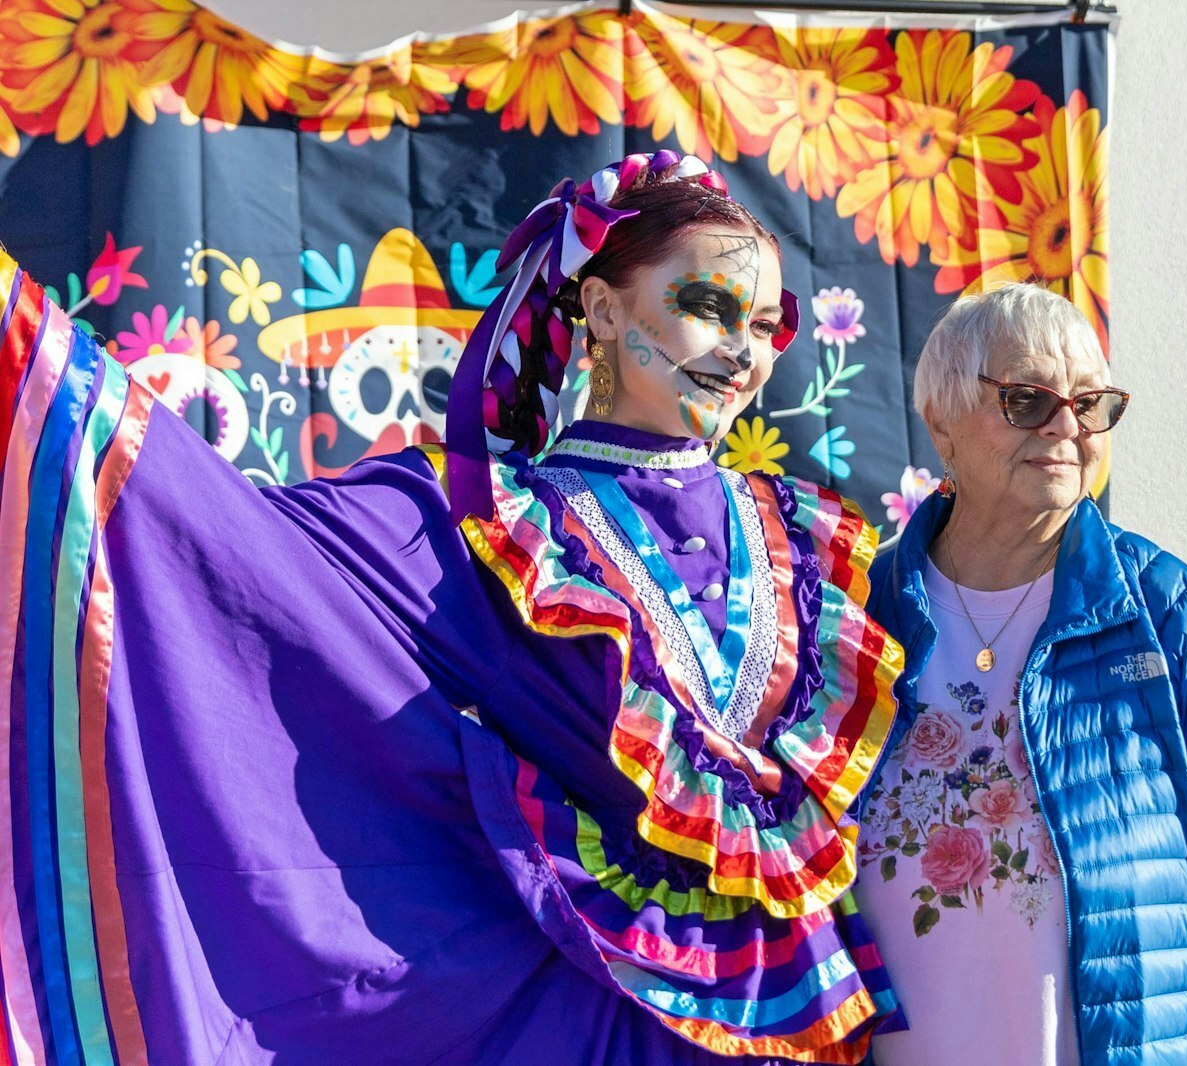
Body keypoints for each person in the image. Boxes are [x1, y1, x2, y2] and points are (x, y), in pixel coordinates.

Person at [0, 151, 906, 1063]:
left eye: (762, 323)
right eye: (708, 308)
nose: (742, 352)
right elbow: (226, 544)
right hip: (569, 1000)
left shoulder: (806, 545)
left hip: (791, 1011)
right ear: (602, 307)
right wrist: (34, 363)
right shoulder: (478, 517)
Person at [858, 283, 1187, 1064]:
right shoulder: (856, 616)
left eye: (1090, 405)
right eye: (1027, 400)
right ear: (940, 423)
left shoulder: (1166, 613)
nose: (1065, 428)